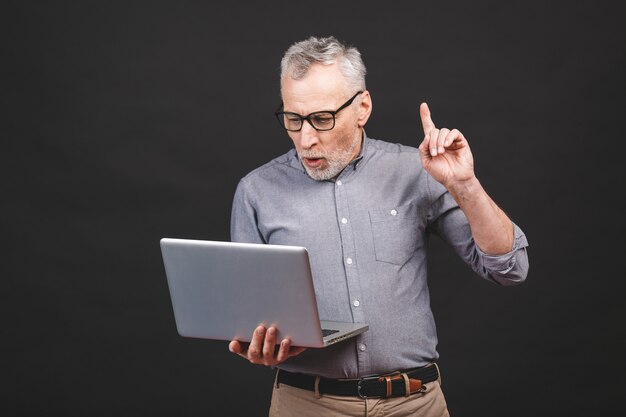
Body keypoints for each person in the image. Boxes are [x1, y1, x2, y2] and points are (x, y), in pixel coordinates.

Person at [228, 36, 529, 417]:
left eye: (322, 118)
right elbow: (249, 318)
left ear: (362, 107)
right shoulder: (256, 191)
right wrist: (260, 342)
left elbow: (509, 268)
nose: (306, 138)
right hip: (305, 406)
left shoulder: (415, 172)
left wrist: (465, 185)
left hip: (416, 404)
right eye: (293, 119)